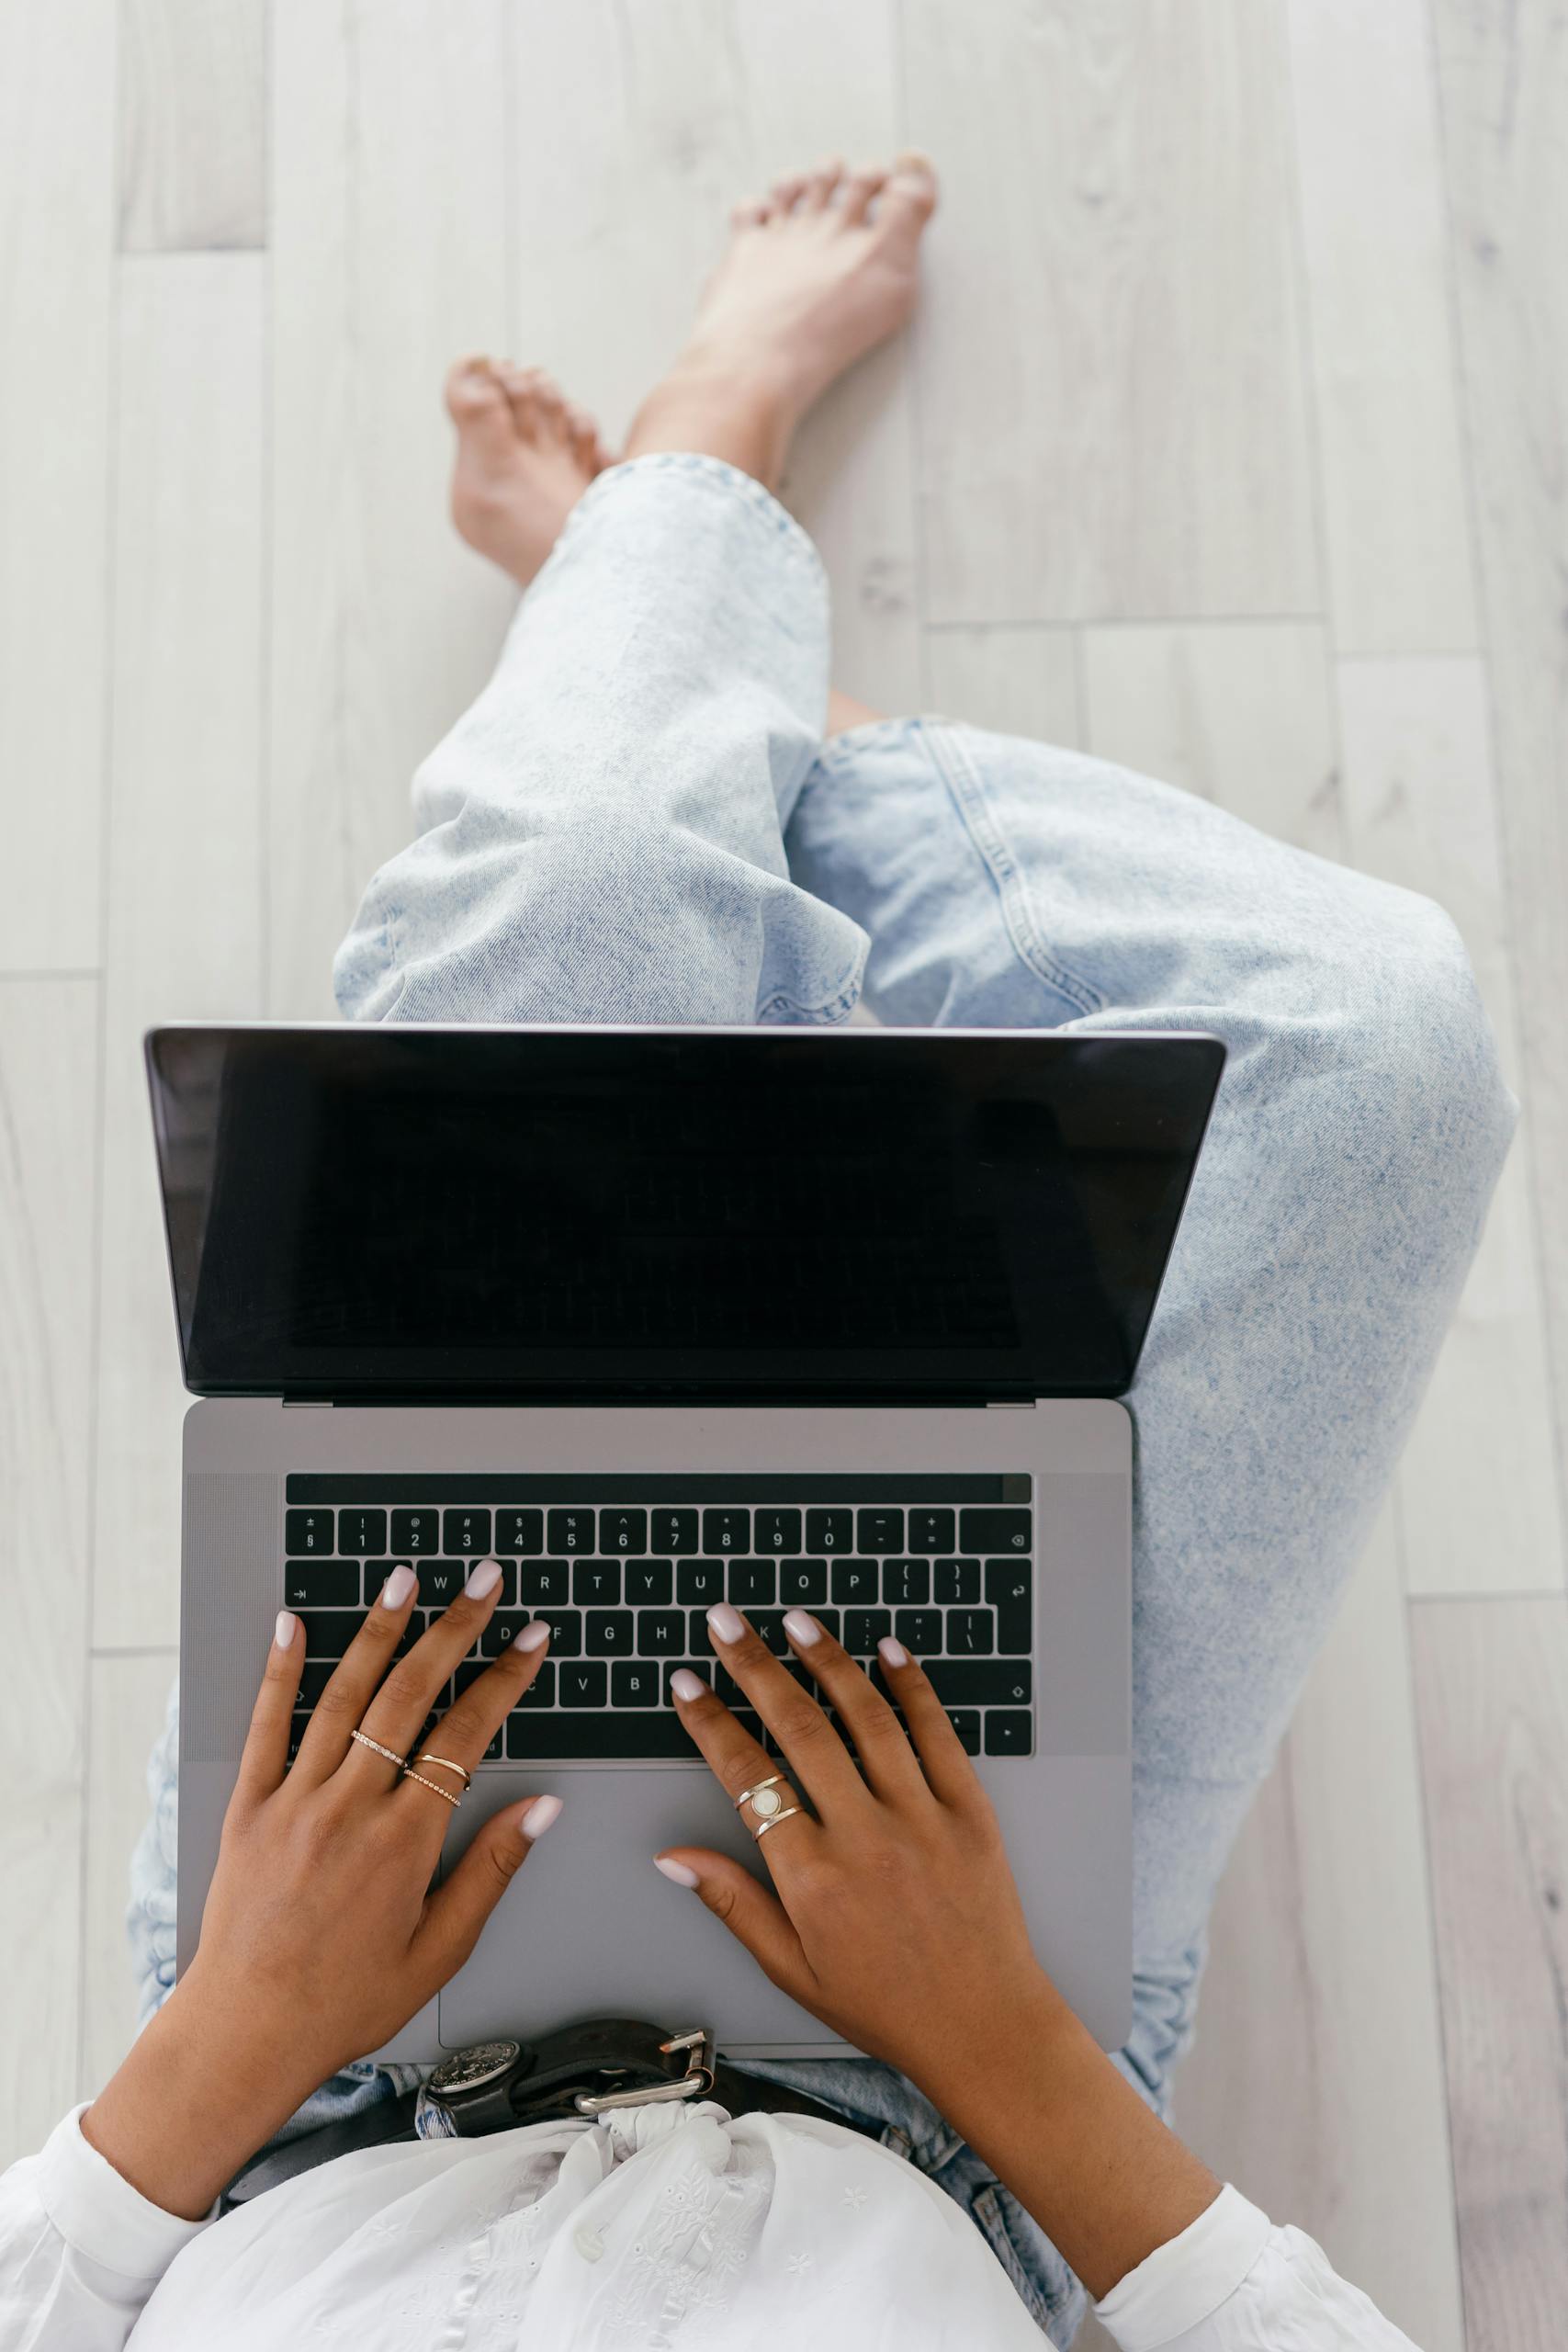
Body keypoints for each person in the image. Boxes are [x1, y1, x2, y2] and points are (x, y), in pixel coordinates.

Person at [0, 155, 1513, 2349]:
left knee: (588, 875)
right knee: (1382, 1057)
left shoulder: (271, 2037)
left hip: (311, 2060)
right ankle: (693, 664)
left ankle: (688, 504)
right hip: (957, 2085)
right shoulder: (976, 2053)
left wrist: (240, 2021)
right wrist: (982, 2028)